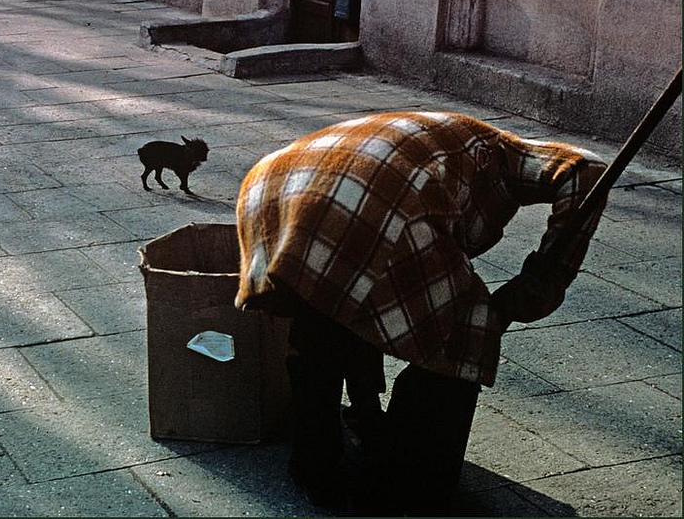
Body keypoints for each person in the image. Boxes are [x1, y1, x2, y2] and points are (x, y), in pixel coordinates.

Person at [234, 111, 607, 514]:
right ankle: (405, 472)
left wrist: (367, 411)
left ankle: (314, 465)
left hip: (273, 183)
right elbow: (588, 171)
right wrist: (539, 283)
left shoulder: (445, 129)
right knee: (466, 329)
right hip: (372, 193)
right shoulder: (508, 154)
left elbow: (352, 300)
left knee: (324, 308)